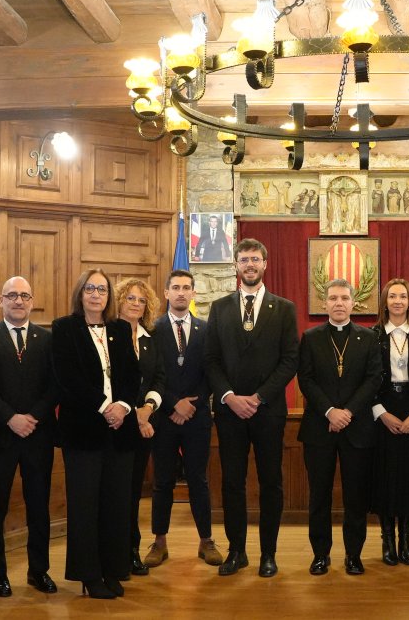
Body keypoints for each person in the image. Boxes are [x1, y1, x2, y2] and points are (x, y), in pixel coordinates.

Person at [205, 238, 300, 577]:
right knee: (232, 483)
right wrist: (230, 397)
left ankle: (268, 555)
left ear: (265, 264)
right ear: (235, 265)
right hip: (230, 412)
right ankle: (237, 551)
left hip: (268, 411)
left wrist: (258, 398)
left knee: (271, 483)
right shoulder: (219, 308)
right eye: (243, 259)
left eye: (255, 259)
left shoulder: (284, 308)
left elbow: (290, 361)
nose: (249, 264)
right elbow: (211, 360)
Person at [52, 269, 140, 599]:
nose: (95, 294)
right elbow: (68, 378)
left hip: (120, 432)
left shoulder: (119, 328)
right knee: (85, 506)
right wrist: (106, 406)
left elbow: (133, 375)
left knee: (116, 504)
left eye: (101, 289)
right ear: (81, 293)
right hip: (83, 432)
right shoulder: (65, 329)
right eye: (89, 288)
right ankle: (89, 575)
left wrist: (124, 407)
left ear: (108, 296)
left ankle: (113, 569)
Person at [297, 279, 381, 575]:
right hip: (320, 428)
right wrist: (331, 411)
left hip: (357, 429)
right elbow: (305, 379)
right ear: (325, 303)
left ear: (353, 302)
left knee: (355, 496)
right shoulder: (311, 337)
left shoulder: (368, 338)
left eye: (344, 298)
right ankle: (321, 554)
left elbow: (373, 379)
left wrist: (347, 412)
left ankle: (354, 555)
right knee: (319, 495)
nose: (339, 303)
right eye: (333, 298)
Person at [0, 276, 58, 599]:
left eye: (24, 295)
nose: (18, 301)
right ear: (0, 300)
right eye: (11, 295)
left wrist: (33, 417)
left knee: (38, 506)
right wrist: (10, 418)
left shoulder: (47, 338)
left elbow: (56, 385)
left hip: (38, 437)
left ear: (32, 301)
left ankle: (38, 570)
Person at [142, 270, 222, 568]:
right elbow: (152, 373)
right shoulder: (152, 329)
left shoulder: (205, 329)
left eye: (186, 288)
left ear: (193, 294)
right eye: (175, 287)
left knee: (199, 480)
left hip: (198, 416)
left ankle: (206, 541)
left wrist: (192, 404)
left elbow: (212, 371)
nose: (180, 293)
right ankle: (159, 542)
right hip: (163, 417)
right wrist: (175, 404)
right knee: (162, 481)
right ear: (165, 293)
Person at [370, 279, 409, 566]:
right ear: (384, 301)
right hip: (382, 412)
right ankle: (387, 542)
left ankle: (406, 542)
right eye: (392, 296)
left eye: (403, 296)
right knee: (385, 477)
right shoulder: (371, 336)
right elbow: (366, 379)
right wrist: (381, 413)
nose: (397, 301)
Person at [115, 278, 165, 577]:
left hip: (143, 425)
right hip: (114, 425)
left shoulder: (150, 339)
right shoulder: (107, 334)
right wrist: (137, 416)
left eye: (141, 300)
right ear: (119, 300)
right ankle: (114, 551)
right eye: (130, 298)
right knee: (115, 492)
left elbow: (158, 379)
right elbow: (110, 381)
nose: (135, 303)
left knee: (133, 493)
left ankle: (132, 550)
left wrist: (148, 410)